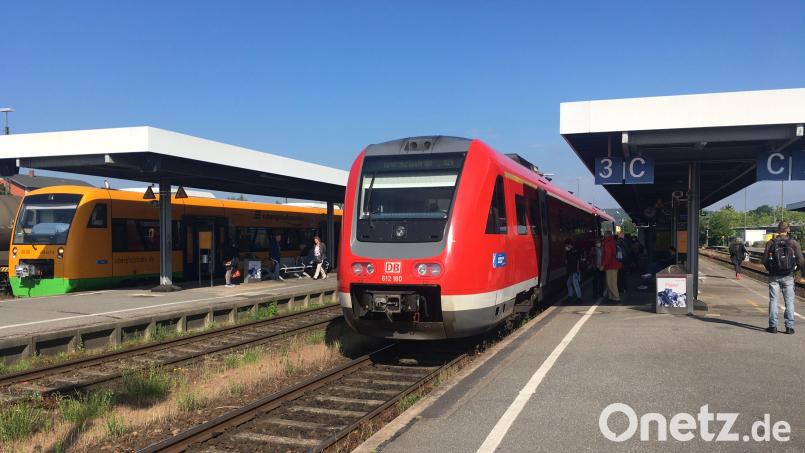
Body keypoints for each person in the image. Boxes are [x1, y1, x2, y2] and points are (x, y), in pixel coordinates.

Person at [761, 222, 804, 334]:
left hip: (774, 276)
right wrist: (796, 272)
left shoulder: (771, 243)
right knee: (789, 302)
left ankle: (773, 327)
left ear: (778, 229)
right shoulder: (793, 243)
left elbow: (764, 260)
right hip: (788, 276)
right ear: (788, 230)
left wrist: (770, 269)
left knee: (773, 300)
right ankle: (789, 327)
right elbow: (801, 261)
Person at [601, 230, 622, 302]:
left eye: (604, 234)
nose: (603, 235)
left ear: (607, 235)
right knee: (611, 281)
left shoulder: (607, 243)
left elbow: (607, 255)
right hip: (613, 264)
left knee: (611, 282)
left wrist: (603, 265)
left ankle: (616, 297)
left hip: (611, 265)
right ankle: (611, 296)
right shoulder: (612, 242)